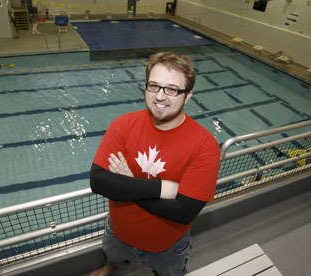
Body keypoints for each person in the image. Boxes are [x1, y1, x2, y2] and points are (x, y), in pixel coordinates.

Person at [90, 52, 220, 276]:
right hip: (118, 233)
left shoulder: (204, 145)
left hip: (168, 246)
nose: (160, 96)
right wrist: (161, 188)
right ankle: (108, 268)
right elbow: (98, 181)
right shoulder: (123, 125)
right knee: (112, 259)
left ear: (188, 95)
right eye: (154, 86)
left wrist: (126, 185)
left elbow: (183, 212)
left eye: (171, 89)